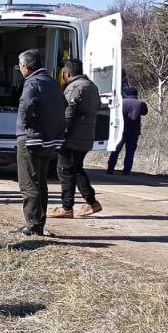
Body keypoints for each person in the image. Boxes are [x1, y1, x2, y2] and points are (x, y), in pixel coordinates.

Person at [14, 49, 67, 236]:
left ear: (25, 66)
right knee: (41, 182)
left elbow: (26, 105)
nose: (20, 69)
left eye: (20, 66)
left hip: (31, 139)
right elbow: (64, 105)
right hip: (49, 140)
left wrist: (24, 126)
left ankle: (32, 224)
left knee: (28, 182)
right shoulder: (52, 82)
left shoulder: (32, 82)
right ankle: (39, 223)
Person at [51, 59, 103, 218]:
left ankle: (66, 207)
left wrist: (59, 133)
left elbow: (67, 113)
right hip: (86, 136)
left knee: (64, 170)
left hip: (72, 137)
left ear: (68, 73)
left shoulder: (74, 87)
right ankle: (92, 202)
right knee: (76, 169)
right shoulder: (92, 86)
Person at [108, 87, 147, 175]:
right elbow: (145, 112)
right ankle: (126, 170)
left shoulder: (121, 102)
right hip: (134, 131)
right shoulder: (141, 104)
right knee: (130, 151)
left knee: (116, 150)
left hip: (120, 130)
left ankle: (110, 168)